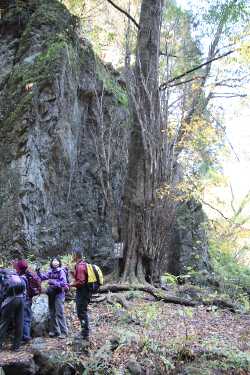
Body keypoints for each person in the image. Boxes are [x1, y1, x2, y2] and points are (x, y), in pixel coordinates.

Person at [37, 257, 68, 338]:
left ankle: (64, 332)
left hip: (59, 294)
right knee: (52, 312)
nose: (55, 262)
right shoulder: (50, 271)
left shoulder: (61, 271)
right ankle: (55, 331)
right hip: (51, 294)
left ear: (59, 263)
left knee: (59, 312)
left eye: (57, 261)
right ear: (51, 263)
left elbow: (64, 283)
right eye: (53, 261)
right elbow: (42, 277)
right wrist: (38, 272)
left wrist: (53, 282)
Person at [14, 259, 41, 343]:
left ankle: (24, 337)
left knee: (22, 318)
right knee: (27, 317)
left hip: (21, 299)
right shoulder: (30, 273)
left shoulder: (20, 276)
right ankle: (26, 336)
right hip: (28, 298)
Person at [0, 266, 26, 351]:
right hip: (21, 299)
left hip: (11, 299)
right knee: (19, 322)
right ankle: (16, 347)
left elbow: (2, 292)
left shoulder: (3, 276)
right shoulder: (15, 274)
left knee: (4, 323)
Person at [71, 248, 92, 341]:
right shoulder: (83, 264)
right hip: (85, 291)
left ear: (76, 255)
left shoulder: (80, 266)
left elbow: (81, 281)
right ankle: (85, 331)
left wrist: (71, 284)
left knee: (81, 312)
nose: (72, 256)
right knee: (82, 311)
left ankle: (85, 333)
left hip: (83, 292)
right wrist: (73, 274)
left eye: (72, 254)